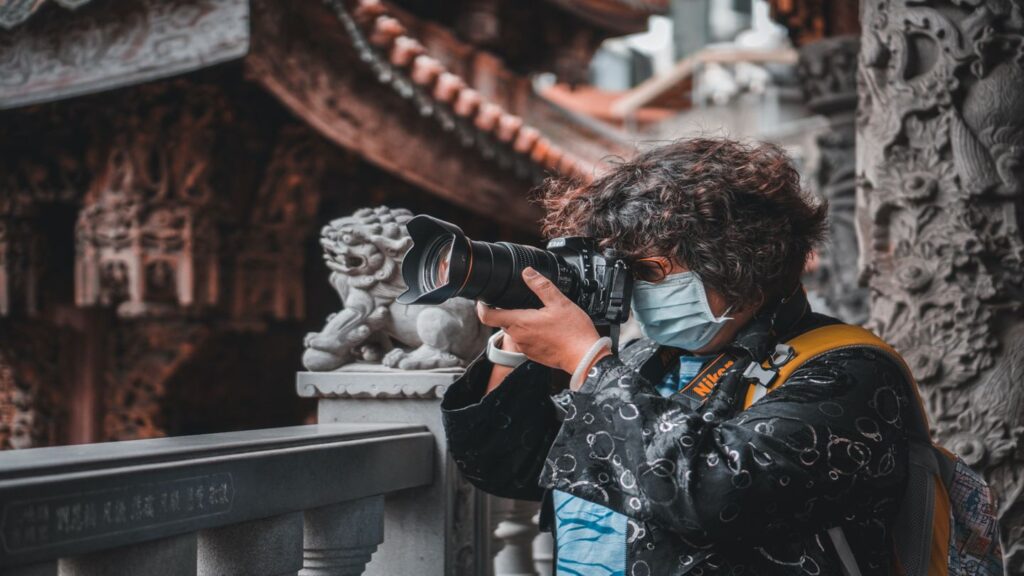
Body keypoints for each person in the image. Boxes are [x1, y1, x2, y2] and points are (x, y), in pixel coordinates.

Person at [441, 138, 910, 575]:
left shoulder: (848, 369)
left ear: (742, 262)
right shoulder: (646, 358)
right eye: (625, 270)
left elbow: (716, 496)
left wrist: (589, 365)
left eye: (649, 270)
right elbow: (507, 468)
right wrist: (514, 351)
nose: (635, 288)